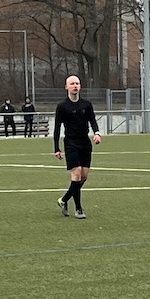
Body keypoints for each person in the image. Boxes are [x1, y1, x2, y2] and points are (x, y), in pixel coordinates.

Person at [53, 74, 101, 219]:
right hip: (71, 143)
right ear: (66, 87)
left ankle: (64, 200)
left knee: (83, 177)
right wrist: (56, 148)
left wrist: (97, 133)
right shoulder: (62, 106)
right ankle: (79, 209)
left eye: (77, 83)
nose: (75, 86)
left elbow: (93, 121)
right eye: (72, 84)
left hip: (85, 142)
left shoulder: (86, 104)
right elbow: (57, 128)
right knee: (77, 173)